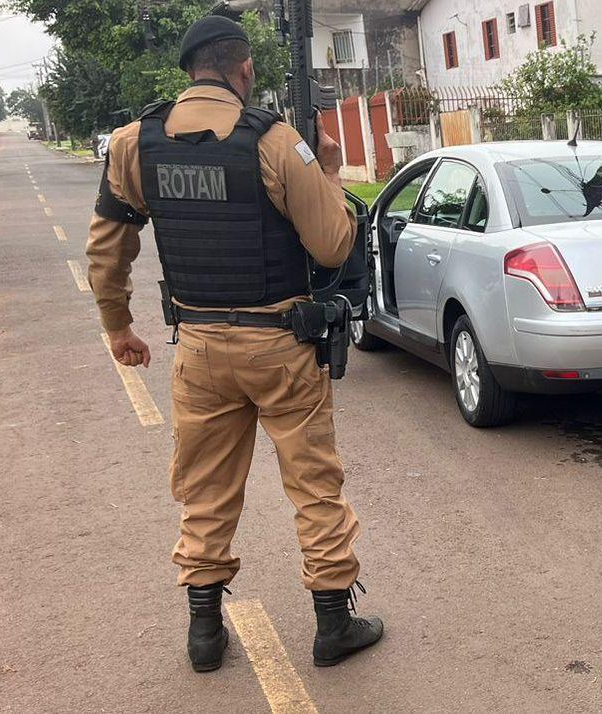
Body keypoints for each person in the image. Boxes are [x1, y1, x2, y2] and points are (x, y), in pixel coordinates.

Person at [85, 15, 383, 673]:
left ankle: (204, 633)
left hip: (197, 345)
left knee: (205, 489)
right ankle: (334, 626)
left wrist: (118, 327)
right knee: (314, 485)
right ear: (244, 70)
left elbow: (107, 248)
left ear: (189, 71)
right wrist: (329, 172)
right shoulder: (275, 142)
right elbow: (334, 244)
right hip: (279, 345)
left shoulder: (137, 143)